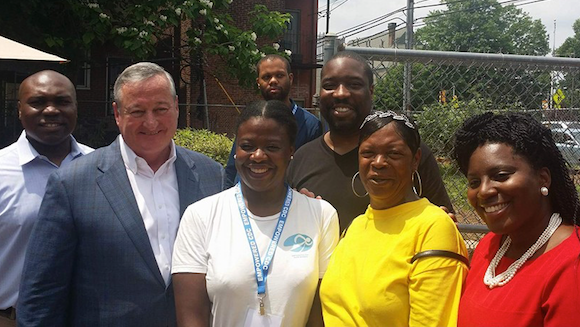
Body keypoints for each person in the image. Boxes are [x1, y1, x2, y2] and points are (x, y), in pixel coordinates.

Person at [17, 62, 224, 326]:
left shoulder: (212, 176)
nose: (151, 122)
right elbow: (42, 294)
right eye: (137, 111)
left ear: (176, 106)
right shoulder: (72, 184)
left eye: (160, 109)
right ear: (117, 113)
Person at [173, 100, 339, 327]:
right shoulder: (200, 216)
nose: (258, 156)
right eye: (247, 146)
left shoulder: (321, 216)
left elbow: (320, 312)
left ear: (290, 151)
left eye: (272, 147)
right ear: (236, 150)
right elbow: (192, 316)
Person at [320, 110, 468, 327]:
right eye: (368, 153)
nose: (378, 163)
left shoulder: (432, 228)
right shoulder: (355, 226)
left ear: (415, 159)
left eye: (394, 154)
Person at [287, 50, 454, 230]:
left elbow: (442, 219)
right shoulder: (302, 157)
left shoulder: (405, 152)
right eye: (330, 85)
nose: (341, 93)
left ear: (371, 91)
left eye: (354, 84)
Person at [453, 112, 580, 327]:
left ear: (543, 178)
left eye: (501, 176)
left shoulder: (571, 264)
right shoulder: (490, 245)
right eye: (474, 182)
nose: (483, 191)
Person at [0, 70, 92, 327]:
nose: (51, 110)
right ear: (20, 110)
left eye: (62, 102)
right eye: (38, 102)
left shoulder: (104, 168)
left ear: (76, 107)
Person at [225, 54, 322, 188]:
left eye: (279, 75)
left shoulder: (310, 125)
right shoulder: (248, 121)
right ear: (258, 82)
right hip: (243, 199)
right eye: (266, 77)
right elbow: (231, 170)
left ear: (290, 78)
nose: (273, 81)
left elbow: (311, 174)